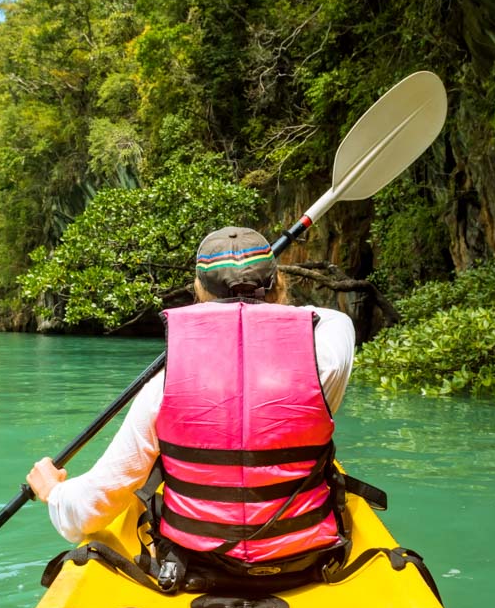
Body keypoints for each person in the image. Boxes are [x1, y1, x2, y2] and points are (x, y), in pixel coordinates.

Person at [27, 226, 356, 588]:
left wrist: (53, 492)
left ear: (198, 292)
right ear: (278, 285)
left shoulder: (161, 387)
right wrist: (260, 304)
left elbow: (88, 512)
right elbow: (329, 319)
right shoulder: (326, 357)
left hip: (202, 569)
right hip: (303, 563)